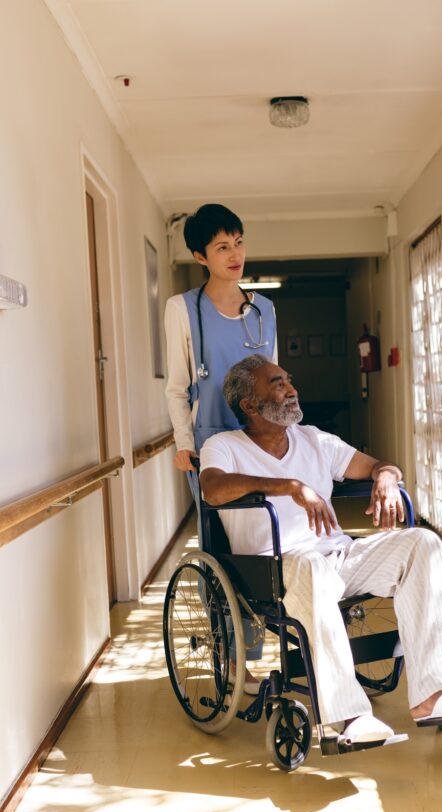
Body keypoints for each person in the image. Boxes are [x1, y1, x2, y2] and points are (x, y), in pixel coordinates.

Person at [198, 355, 442, 745]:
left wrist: (387, 478)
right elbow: (213, 489)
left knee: (422, 542)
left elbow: (378, 464)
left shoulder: (314, 439)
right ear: (249, 405)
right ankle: (348, 718)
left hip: (337, 557)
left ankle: (435, 697)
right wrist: (288, 485)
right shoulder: (224, 446)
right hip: (275, 567)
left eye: (289, 380)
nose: (291, 389)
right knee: (312, 568)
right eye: (277, 383)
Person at [165, 204, 277, 688]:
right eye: (221, 247)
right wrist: (182, 443)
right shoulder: (183, 309)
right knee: (222, 551)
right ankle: (235, 662)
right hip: (212, 447)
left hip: (260, 443)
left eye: (239, 242)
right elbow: (175, 386)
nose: (235, 254)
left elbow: (274, 383)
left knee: (265, 545)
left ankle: (265, 646)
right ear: (200, 255)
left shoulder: (266, 309)